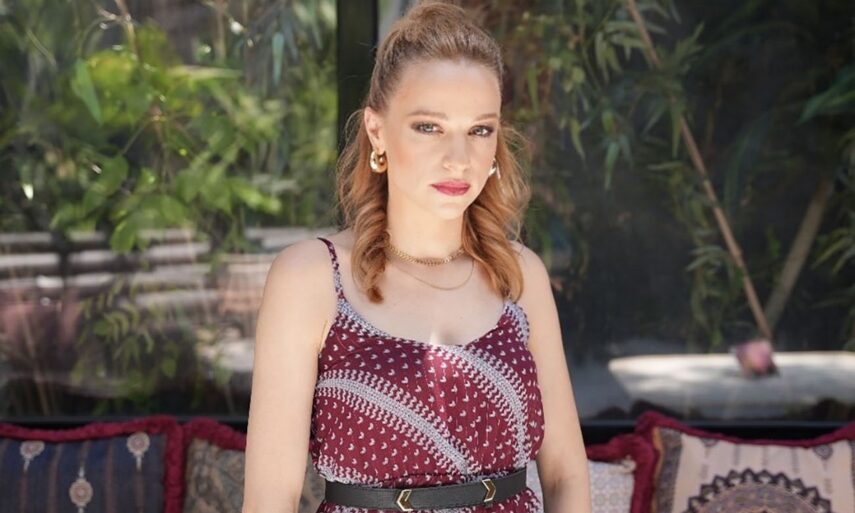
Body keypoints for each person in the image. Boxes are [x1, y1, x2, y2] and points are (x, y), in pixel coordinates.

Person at [242, 1, 590, 512]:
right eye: (429, 127)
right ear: (377, 131)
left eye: (480, 130)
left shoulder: (518, 275)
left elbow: (565, 474)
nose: (458, 158)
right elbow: (270, 498)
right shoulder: (312, 277)